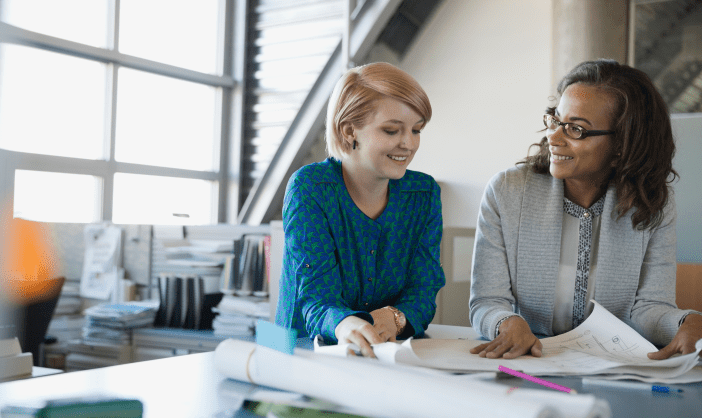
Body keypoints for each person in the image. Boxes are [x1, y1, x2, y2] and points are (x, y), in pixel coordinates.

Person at [469, 59, 702, 360]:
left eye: (575, 129)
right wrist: (507, 322)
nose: (552, 137)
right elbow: (487, 301)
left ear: (622, 146)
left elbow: (649, 309)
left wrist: (687, 321)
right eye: (556, 120)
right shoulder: (506, 192)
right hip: (530, 363)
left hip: (612, 367)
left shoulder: (654, 204)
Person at [275, 62, 445, 357]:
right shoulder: (310, 187)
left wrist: (396, 317)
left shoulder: (424, 193)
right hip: (294, 349)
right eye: (392, 130)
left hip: (384, 353)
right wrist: (344, 325)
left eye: (416, 130)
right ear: (349, 130)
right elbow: (317, 300)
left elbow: (424, 290)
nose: (408, 144)